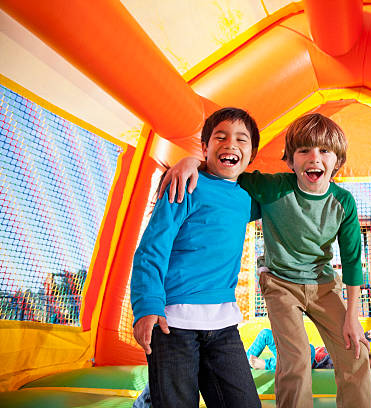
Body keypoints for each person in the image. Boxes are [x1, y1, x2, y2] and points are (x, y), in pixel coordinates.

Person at [160, 113, 371, 408]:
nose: (315, 159)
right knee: (296, 359)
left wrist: (353, 317)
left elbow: (352, 262)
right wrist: (191, 162)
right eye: (304, 151)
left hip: (323, 285)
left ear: (337, 161)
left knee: (356, 352)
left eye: (324, 151)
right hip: (280, 284)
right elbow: (225, 168)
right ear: (290, 160)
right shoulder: (274, 188)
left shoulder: (343, 202)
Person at [130, 107, 262, 408]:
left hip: (223, 325)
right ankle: (151, 398)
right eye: (220, 137)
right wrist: (146, 307)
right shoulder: (186, 185)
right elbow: (152, 248)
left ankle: (150, 397)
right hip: (172, 323)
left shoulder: (246, 198)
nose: (231, 144)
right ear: (205, 147)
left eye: (242, 140)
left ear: (251, 154)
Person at [247, 328, 371, 370]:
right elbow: (354, 343)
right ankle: (245, 361)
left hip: (305, 361)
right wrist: (367, 335)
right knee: (266, 334)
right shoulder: (345, 350)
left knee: (310, 349)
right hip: (294, 354)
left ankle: (266, 364)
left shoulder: (342, 363)